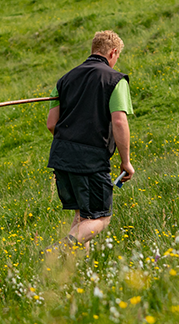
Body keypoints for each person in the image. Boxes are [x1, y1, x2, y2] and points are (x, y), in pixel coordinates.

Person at [45, 30, 134, 251]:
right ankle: (59, 251)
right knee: (101, 218)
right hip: (91, 159)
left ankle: (72, 272)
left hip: (61, 156)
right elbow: (120, 122)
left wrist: (71, 140)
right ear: (113, 53)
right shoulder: (115, 79)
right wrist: (126, 161)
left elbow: (51, 123)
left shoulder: (65, 80)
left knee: (83, 216)